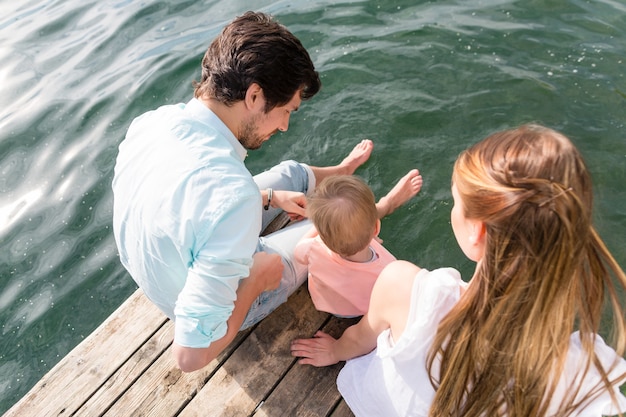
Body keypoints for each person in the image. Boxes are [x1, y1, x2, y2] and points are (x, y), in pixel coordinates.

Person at [291, 124, 626, 416]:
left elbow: (360, 339)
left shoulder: (405, 287)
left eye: (456, 201)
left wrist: (334, 350)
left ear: (476, 231)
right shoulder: (579, 376)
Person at [112, 11, 375, 373]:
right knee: (331, 230)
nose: (284, 126)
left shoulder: (151, 123)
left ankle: (340, 171)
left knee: (288, 174)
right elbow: (191, 355)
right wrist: (254, 282)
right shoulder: (230, 194)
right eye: (286, 111)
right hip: (218, 307)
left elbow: (201, 201)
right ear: (254, 95)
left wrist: (267, 198)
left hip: (169, 267)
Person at [294, 171, 422, 317]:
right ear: (376, 229)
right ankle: (386, 206)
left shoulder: (311, 249)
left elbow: (298, 251)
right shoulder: (388, 269)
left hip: (327, 303)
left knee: (349, 228)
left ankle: (371, 219)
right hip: (357, 313)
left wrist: (325, 224)